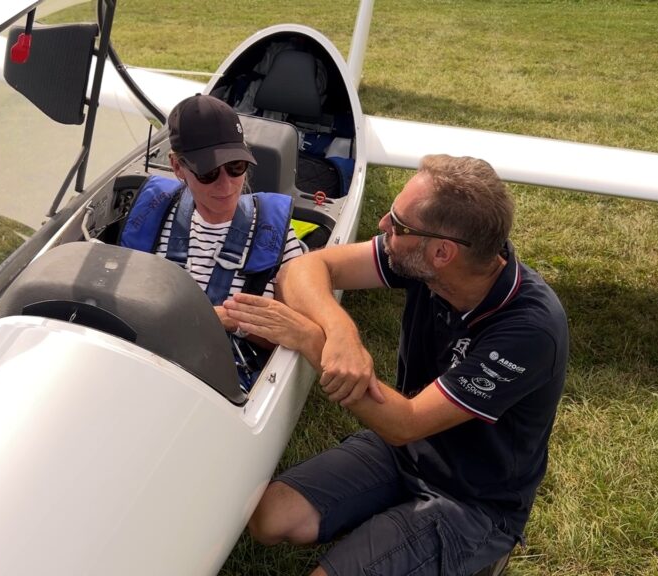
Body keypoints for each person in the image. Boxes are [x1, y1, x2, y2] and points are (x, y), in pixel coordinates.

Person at [225, 154, 569, 575]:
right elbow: (305, 268)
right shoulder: (424, 261)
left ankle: (481, 552)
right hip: (403, 451)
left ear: (443, 251)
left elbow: (404, 422)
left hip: (473, 498)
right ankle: (395, 528)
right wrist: (341, 333)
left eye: (398, 222)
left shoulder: (530, 331)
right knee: (269, 519)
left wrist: (314, 340)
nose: (384, 224)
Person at [118, 94, 312, 388]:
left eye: (236, 166)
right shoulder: (153, 217)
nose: (226, 184)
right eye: (208, 172)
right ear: (177, 167)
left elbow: (301, 335)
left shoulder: (274, 234)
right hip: (144, 363)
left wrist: (236, 322)